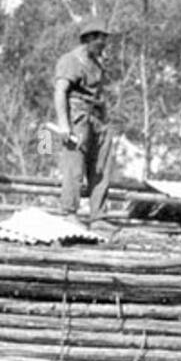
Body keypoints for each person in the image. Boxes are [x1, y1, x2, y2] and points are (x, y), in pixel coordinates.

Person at [53, 17, 114, 220]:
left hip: (99, 118)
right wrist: (64, 125)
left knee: (101, 170)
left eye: (105, 39)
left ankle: (99, 217)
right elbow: (60, 91)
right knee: (74, 168)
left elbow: (99, 91)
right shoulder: (71, 60)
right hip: (78, 117)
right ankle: (69, 213)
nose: (104, 43)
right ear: (88, 38)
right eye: (100, 39)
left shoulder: (97, 63)